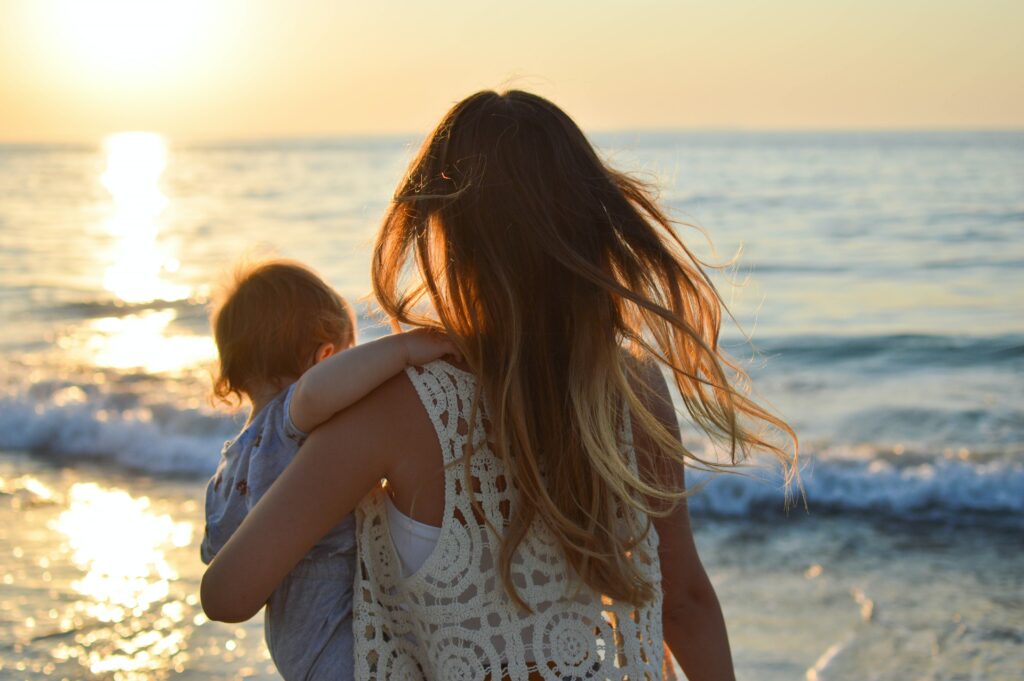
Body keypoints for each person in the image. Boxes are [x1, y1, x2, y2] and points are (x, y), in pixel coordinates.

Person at [201, 91, 797, 680]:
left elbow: (228, 593)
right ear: (590, 223)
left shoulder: (397, 406)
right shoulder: (634, 389)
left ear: (442, 237)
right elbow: (685, 599)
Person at [200, 259, 458, 680]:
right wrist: (405, 348)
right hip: (344, 638)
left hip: (297, 651)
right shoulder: (288, 423)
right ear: (325, 358)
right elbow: (316, 393)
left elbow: (217, 551)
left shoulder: (227, 471)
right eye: (350, 356)